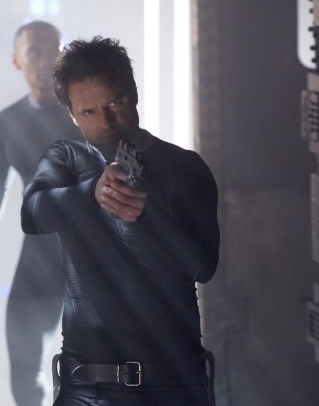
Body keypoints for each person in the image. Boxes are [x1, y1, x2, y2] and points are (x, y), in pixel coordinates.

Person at [21, 36, 220, 406]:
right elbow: (32, 214)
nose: (106, 122)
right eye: (89, 112)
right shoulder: (66, 159)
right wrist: (91, 193)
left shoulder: (182, 167)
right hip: (87, 385)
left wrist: (145, 218)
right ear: (71, 115)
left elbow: (203, 266)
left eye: (114, 104)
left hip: (170, 382)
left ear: (133, 94)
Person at [0, 20, 83, 406]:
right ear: (16, 60)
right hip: (41, 253)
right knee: (23, 361)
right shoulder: (9, 122)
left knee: (96, 365)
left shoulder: (85, 112)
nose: (47, 61)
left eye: (55, 51)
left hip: (94, 251)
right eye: (35, 51)